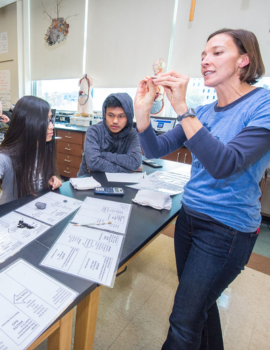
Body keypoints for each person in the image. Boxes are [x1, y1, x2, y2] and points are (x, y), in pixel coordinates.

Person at [134, 28, 270, 350]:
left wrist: (182, 107)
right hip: (189, 218)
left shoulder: (262, 104)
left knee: (183, 321)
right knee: (198, 311)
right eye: (203, 55)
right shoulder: (205, 113)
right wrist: (142, 116)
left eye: (217, 52)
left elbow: (225, 164)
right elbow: (155, 149)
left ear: (244, 60)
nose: (206, 60)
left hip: (226, 229)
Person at [0, 95, 62, 205]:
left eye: (50, 119)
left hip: (37, 208)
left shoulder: (43, 148)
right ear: (29, 124)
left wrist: (52, 180)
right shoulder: (4, 157)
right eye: (46, 121)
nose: (51, 126)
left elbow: (40, 180)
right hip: (11, 214)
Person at [78, 93, 142, 175]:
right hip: (89, 181)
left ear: (128, 117)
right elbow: (93, 163)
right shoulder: (94, 131)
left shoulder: (132, 133)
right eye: (111, 115)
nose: (115, 121)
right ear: (104, 114)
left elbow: (135, 162)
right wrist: (127, 171)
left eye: (121, 116)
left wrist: (102, 155)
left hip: (120, 183)